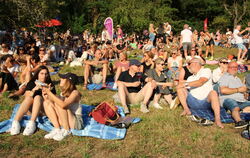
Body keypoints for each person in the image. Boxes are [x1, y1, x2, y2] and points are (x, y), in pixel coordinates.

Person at [176, 58, 224, 128]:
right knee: (179, 88)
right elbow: (183, 87)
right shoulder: (190, 78)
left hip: (206, 101)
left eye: (189, 64)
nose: (188, 66)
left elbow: (201, 82)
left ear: (195, 64)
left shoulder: (206, 71)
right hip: (193, 101)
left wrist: (185, 84)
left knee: (213, 93)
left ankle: (217, 119)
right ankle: (186, 109)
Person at [10, 66, 56, 135]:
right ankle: (16, 122)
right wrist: (35, 89)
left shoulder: (50, 85)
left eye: (46, 74)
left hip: (43, 111)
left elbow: (54, 101)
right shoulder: (31, 83)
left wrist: (48, 92)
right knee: (30, 97)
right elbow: (26, 96)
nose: (44, 76)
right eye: (42, 73)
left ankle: (32, 123)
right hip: (30, 110)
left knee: (38, 97)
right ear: (37, 74)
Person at [42, 73, 83, 141]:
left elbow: (63, 105)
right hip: (66, 119)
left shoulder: (75, 93)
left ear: (68, 81)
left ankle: (66, 130)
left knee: (60, 104)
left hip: (76, 123)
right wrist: (47, 95)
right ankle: (57, 129)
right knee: (46, 102)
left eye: (63, 78)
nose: (60, 79)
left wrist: (50, 93)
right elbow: (52, 102)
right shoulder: (63, 93)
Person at [218, 61, 250, 128]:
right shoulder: (225, 77)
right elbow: (223, 90)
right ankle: (239, 121)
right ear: (228, 68)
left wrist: (245, 93)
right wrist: (238, 90)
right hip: (228, 99)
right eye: (232, 67)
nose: (234, 69)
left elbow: (243, 89)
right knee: (235, 106)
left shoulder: (237, 79)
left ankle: (241, 111)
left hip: (241, 101)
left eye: (236, 67)